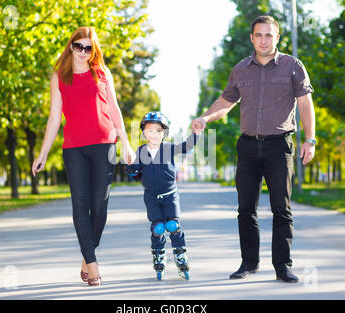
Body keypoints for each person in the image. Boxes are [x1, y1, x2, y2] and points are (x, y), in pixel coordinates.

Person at [191, 16, 316, 283]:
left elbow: (305, 104)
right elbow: (226, 101)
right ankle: (249, 263)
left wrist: (310, 139)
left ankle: (282, 266)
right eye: (259, 35)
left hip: (279, 146)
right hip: (247, 146)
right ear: (252, 38)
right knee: (245, 208)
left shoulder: (293, 66)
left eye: (269, 35)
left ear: (277, 38)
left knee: (281, 209)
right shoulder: (240, 70)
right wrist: (205, 118)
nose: (263, 40)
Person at [31, 27, 134, 286]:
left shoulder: (102, 72)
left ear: (93, 50)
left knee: (99, 209)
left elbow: (114, 108)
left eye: (88, 48)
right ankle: (93, 265)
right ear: (71, 46)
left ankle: (86, 258)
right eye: (79, 46)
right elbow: (55, 117)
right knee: (80, 205)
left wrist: (126, 143)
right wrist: (43, 153)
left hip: (104, 145)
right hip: (74, 148)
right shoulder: (60, 76)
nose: (83, 52)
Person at [126, 112, 200, 280]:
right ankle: (159, 258)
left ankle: (181, 257)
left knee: (173, 226)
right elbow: (134, 170)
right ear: (144, 132)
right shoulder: (141, 151)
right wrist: (129, 165)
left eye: (158, 131)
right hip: (151, 197)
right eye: (150, 130)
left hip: (170, 195)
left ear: (164, 133)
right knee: (158, 228)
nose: (154, 134)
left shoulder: (168, 148)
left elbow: (186, 146)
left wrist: (195, 134)